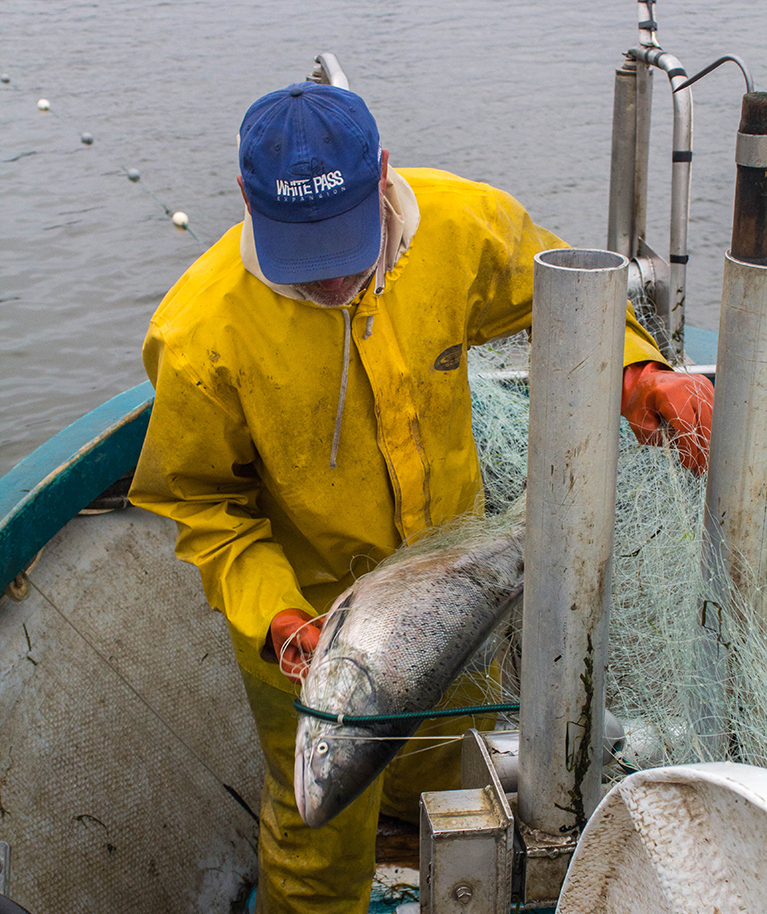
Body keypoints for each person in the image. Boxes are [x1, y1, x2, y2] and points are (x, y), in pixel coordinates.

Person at [129, 82, 713, 913]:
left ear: (384, 177)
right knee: (316, 823)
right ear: (243, 203)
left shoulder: (464, 225)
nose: (331, 277)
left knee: (451, 766)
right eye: (306, 253)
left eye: (345, 243)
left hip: (460, 588)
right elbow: (204, 510)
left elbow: (562, 307)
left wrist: (634, 372)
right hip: (306, 618)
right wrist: (277, 616)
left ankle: (418, 849)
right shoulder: (200, 334)